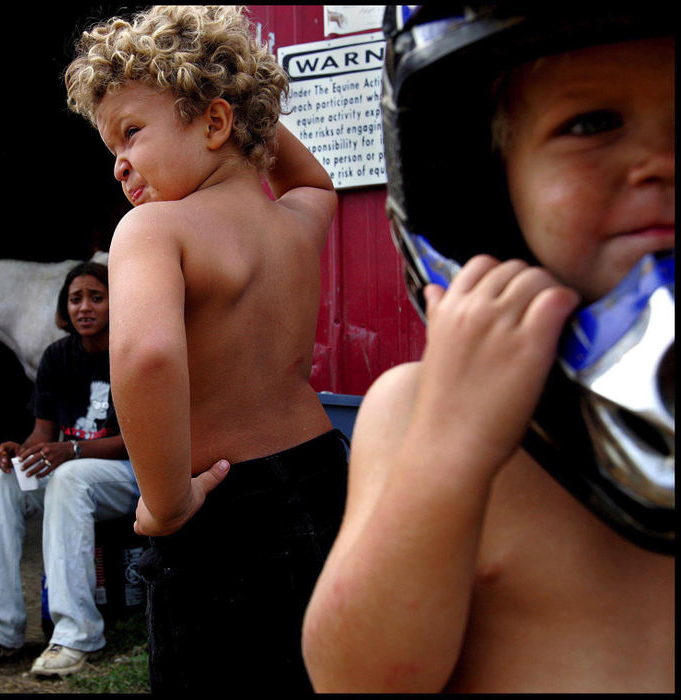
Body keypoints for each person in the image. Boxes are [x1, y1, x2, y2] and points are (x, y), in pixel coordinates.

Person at [301, 5, 674, 693]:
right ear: (489, 186)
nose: (662, 163)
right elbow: (355, 679)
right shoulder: (416, 408)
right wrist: (450, 446)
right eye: (592, 123)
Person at [64, 6, 348, 694]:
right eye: (111, 151)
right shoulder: (295, 222)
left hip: (218, 506)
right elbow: (316, 181)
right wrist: (242, 101)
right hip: (323, 480)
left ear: (215, 122)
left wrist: (164, 503)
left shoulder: (154, 229)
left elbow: (148, 358)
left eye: (131, 133)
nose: (121, 164)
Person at [0, 259, 140, 679]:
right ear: (65, 308)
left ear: (116, 303)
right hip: (74, 468)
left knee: (69, 478)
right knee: (3, 482)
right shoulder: (57, 357)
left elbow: (138, 440)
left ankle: (75, 634)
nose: (85, 307)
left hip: (132, 475)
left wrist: (69, 451)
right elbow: (43, 434)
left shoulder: (132, 349)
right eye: (75, 299)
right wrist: (20, 450)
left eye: (96, 297)